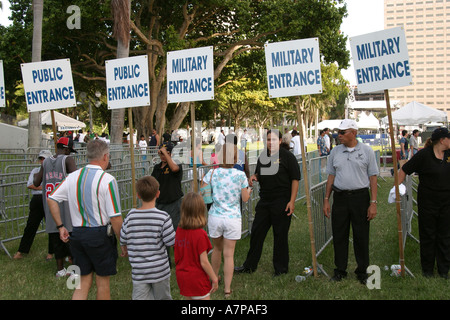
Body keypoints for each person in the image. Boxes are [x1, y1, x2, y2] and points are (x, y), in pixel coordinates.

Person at [47, 139, 124, 300]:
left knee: (82, 282)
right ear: (105, 156)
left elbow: (51, 199)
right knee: (103, 283)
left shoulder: (72, 177)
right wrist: (123, 242)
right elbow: (115, 217)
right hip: (100, 235)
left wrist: (60, 226)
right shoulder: (108, 180)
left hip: (77, 234)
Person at [235, 129, 300, 276]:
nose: (271, 142)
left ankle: (281, 269)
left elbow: (295, 179)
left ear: (280, 141)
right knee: (257, 233)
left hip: (282, 201)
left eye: (274, 139)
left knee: (280, 236)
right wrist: (254, 176)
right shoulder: (263, 156)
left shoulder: (288, 157)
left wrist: (292, 201)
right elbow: (259, 173)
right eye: (268, 139)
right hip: (265, 201)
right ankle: (249, 266)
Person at [322, 119, 379, 284]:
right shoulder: (335, 152)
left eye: (342, 132)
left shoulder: (367, 151)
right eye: (338, 132)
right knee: (339, 235)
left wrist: (373, 202)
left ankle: (362, 271)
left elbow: (373, 178)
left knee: (361, 236)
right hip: (339, 198)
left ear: (353, 133)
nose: (339, 135)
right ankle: (340, 270)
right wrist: (326, 199)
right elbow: (330, 177)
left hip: (360, 198)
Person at [398, 127, 450, 278]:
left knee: (445, 235)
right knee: (428, 234)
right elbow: (404, 169)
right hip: (428, 201)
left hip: (447, 201)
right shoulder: (424, 155)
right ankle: (427, 270)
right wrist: (396, 188)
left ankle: (444, 270)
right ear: (442, 140)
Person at [201, 143, 252, 298]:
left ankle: (214, 280)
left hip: (215, 216)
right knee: (229, 255)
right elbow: (244, 198)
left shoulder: (211, 174)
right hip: (233, 218)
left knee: (216, 250)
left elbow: (204, 194)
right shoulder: (240, 175)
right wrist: (249, 191)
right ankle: (227, 289)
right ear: (236, 158)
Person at [120, 176, 175, 299]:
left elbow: (123, 236)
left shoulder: (130, 216)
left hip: (139, 271)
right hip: (160, 271)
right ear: (158, 193)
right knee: (163, 297)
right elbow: (171, 241)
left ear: (138, 195)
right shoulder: (163, 217)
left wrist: (124, 248)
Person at [34, 137, 77, 277]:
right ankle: (74, 269)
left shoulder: (45, 161)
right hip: (65, 204)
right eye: (70, 150)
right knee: (70, 236)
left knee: (55, 236)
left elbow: (36, 181)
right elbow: (76, 178)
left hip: (50, 204)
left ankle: (60, 270)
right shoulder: (67, 159)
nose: (70, 154)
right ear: (66, 149)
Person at [174, 192, 219, 300]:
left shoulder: (179, 231)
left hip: (182, 276)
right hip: (197, 278)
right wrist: (214, 278)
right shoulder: (200, 234)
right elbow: (204, 261)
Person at [13, 150, 54, 260]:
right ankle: (21, 250)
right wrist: (45, 187)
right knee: (31, 226)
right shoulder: (35, 170)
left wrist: (42, 187)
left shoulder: (53, 172)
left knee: (51, 227)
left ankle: (51, 252)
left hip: (49, 199)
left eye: (44, 159)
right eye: (41, 158)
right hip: (37, 200)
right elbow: (30, 185)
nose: (42, 161)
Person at [151, 142, 183, 238]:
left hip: (173, 203)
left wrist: (166, 153)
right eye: (161, 153)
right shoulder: (157, 167)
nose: (163, 156)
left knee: (174, 232)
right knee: (160, 232)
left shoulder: (176, 164)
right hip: (160, 203)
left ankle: (176, 252)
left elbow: (174, 169)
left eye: (166, 153)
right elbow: (152, 182)